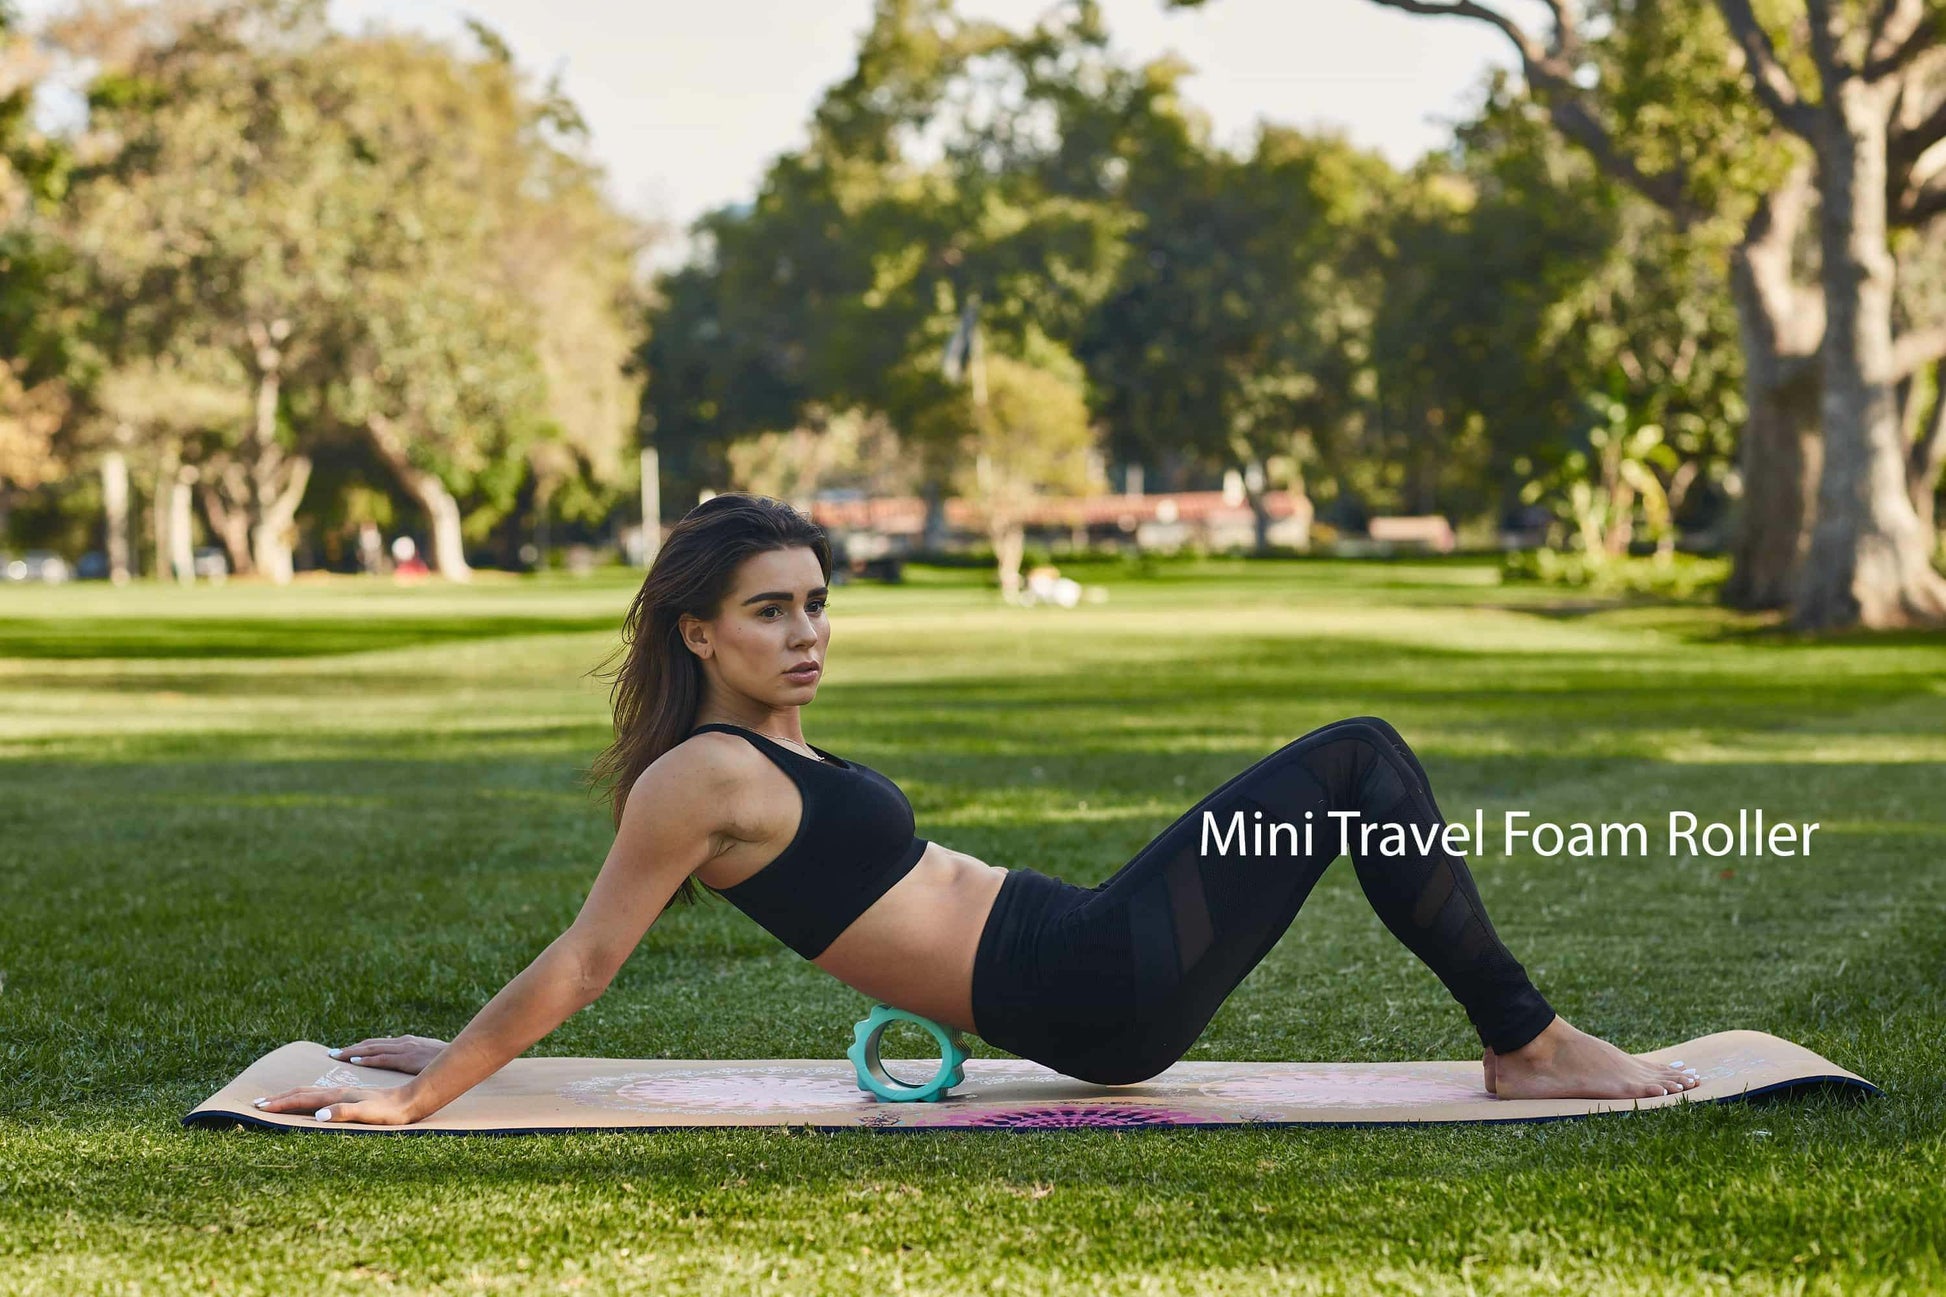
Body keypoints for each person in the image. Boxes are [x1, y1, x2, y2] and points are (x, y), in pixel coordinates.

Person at [256, 494, 1699, 1125]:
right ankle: (1527, 1044)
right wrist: (432, 1089)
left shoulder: (771, 746)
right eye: (769, 612)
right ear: (697, 632)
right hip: (1085, 987)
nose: (806, 633)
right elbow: (588, 956)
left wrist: (466, 1053)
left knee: (1351, 774)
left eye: (816, 603)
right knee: (1356, 761)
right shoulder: (696, 776)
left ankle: (1528, 1040)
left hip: (1083, 953)